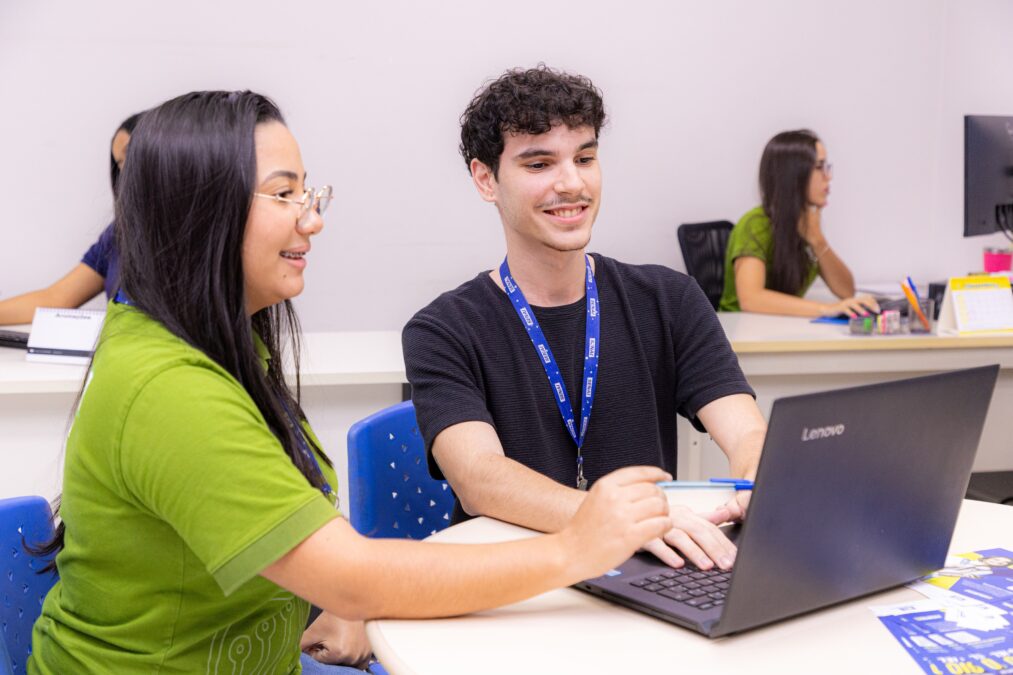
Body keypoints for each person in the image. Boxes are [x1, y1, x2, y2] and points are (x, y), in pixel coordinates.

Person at [28, 90, 672, 674]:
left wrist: (321, 601)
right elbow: (350, 574)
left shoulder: (221, 340)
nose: (311, 220)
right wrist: (574, 550)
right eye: (283, 195)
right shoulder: (168, 388)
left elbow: (294, 549)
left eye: (308, 193)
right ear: (201, 211)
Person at [402, 66, 767, 574]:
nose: (572, 183)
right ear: (486, 179)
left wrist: (758, 477)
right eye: (539, 164)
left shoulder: (668, 299)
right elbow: (479, 477)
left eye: (586, 158)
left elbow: (746, 433)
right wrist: (620, 521)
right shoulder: (442, 329)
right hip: (514, 579)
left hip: (652, 572)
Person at [718, 129, 879, 317]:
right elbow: (751, 299)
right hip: (741, 333)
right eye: (819, 167)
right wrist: (826, 309)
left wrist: (817, 240)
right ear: (793, 174)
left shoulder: (804, 224)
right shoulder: (755, 225)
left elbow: (846, 291)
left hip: (775, 326)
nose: (828, 177)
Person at [0, 113, 141, 325]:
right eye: (119, 163)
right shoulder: (118, 233)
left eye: (130, 153)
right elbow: (56, 298)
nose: (124, 170)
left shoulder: (199, 234)